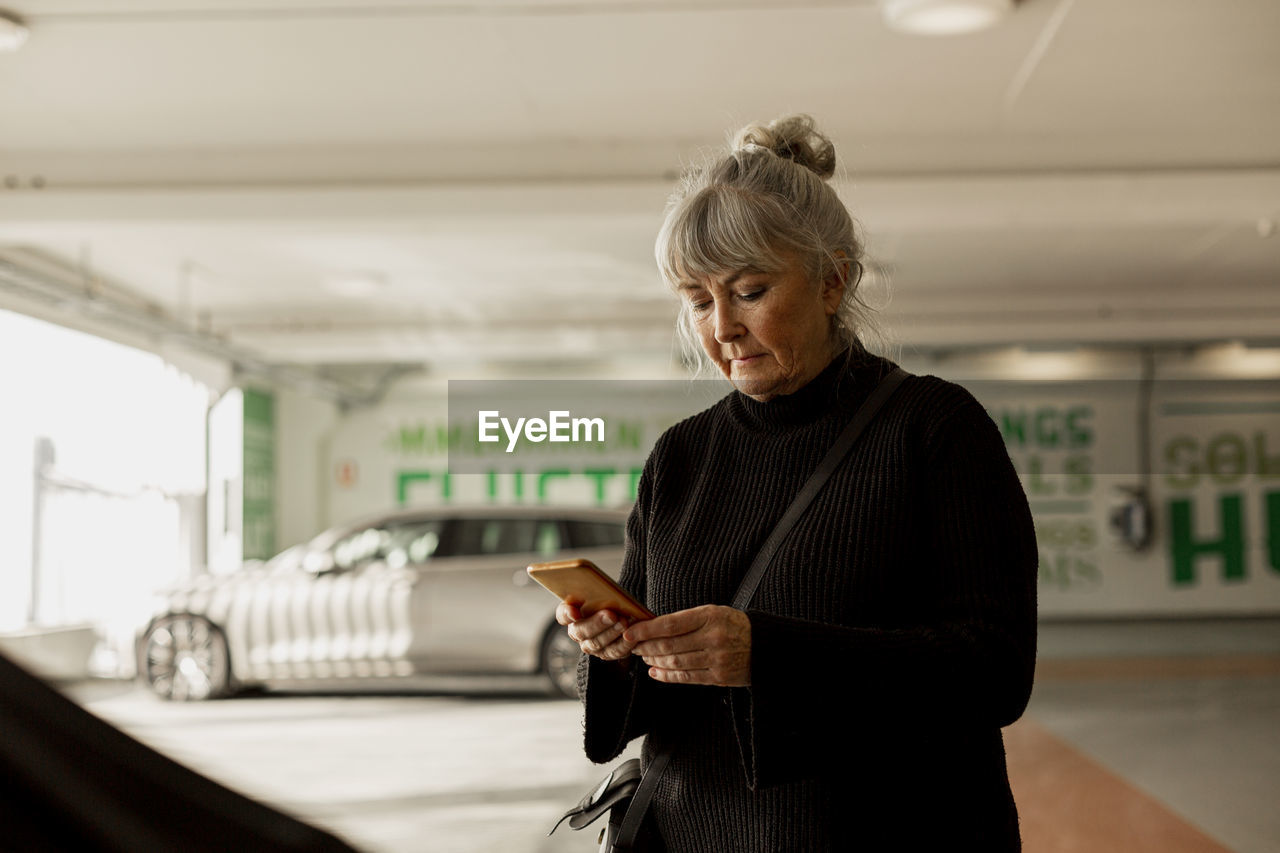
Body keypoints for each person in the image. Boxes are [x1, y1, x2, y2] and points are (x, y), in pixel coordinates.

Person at [556, 114, 1038, 851]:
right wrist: (610, 647)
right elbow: (636, 703)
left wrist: (766, 654)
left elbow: (993, 669)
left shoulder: (933, 428)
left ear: (833, 279)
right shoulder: (680, 457)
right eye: (698, 299)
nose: (722, 327)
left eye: (750, 290)